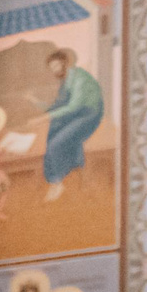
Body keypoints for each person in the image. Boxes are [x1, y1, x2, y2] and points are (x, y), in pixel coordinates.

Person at [40, 49, 105, 202]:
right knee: (53, 133)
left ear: (64, 63)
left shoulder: (79, 78)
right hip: (76, 115)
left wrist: (45, 117)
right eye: (52, 68)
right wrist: (38, 104)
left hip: (89, 115)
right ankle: (78, 178)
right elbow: (58, 106)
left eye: (56, 66)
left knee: (56, 144)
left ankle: (57, 183)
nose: (54, 70)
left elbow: (74, 106)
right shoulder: (66, 80)